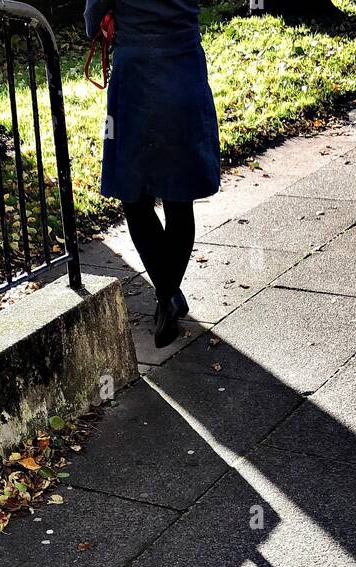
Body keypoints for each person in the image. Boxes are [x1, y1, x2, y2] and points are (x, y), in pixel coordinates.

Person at [84, 0, 220, 348]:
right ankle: (168, 296)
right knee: (179, 198)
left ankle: (168, 295)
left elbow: (91, 22)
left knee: (135, 198)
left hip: (136, 82)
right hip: (184, 71)